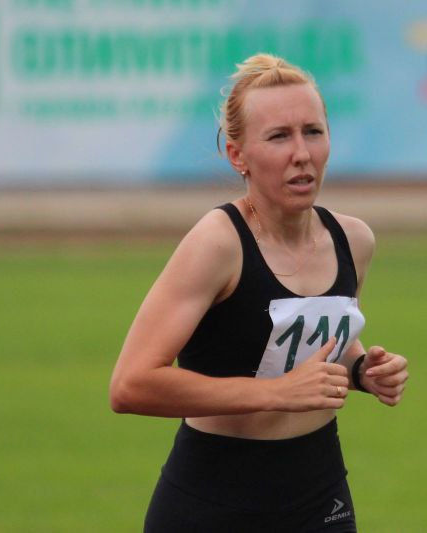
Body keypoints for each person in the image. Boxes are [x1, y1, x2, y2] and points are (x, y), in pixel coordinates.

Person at [109, 53, 409, 532]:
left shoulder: (354, 241)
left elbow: (318, 341)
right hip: (213, 502)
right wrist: (274, 393)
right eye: (279, 136)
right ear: (238, 156)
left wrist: (360, 370)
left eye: (313, 131)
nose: (302, 153)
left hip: (319, 495)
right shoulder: (218, 243)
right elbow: (130, 385)